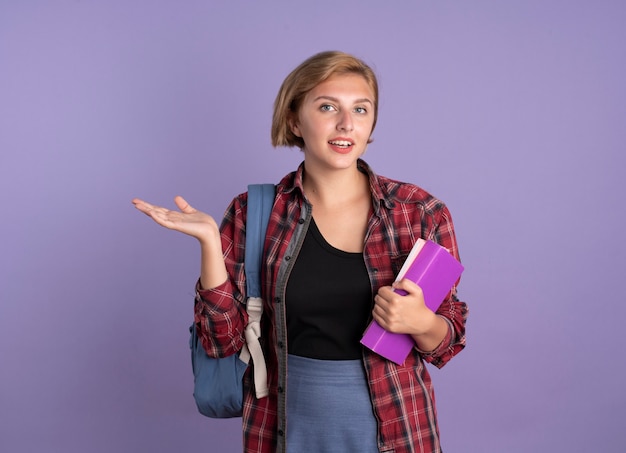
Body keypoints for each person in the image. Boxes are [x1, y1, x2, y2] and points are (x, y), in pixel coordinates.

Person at [133, 50, 468, 453]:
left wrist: (421, 322)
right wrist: (209, 242)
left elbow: (447, 340)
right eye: (328, 107)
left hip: (396, 427)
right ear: (294, 120)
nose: (346, 124)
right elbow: (221, 343)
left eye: (361, 109)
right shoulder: (253, 212)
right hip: (285, 428)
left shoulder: (419, 212)